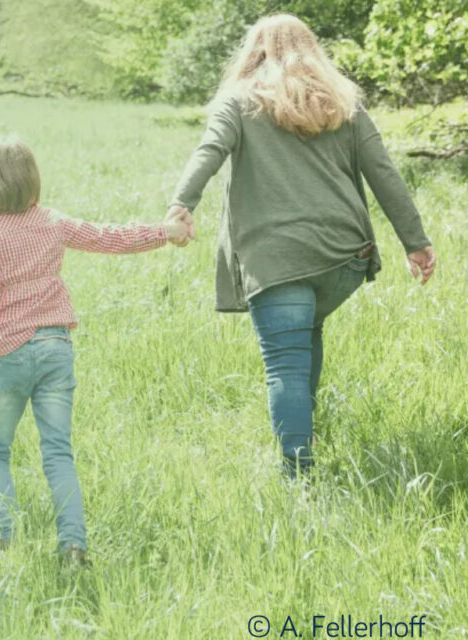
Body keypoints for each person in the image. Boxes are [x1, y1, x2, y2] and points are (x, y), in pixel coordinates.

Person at [167, 13, 435, 476]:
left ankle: (298, 477)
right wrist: (417, 242)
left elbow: (208, 151)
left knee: (285, 364)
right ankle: (304, 433)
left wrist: (180, 205)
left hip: (277, 258)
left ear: (253, 54)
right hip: (344, 256)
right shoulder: (343, 103)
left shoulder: (238, 102)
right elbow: (385, 173)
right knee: (306, 333)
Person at [0, 134, 192, 566]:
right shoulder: (51, 222)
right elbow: (108, 237)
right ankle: (73, 547)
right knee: (58, 452)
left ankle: (8, 543)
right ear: (30, 178)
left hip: (10, 355)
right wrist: (165, 232)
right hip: (57, 348)